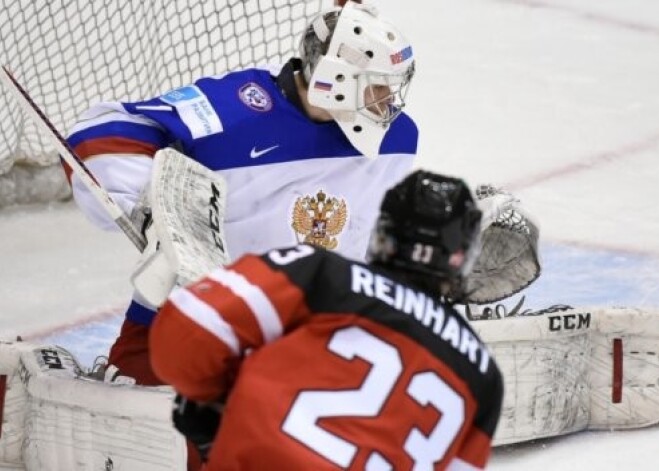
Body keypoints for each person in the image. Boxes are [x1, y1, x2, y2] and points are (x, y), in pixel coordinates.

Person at [64, 0, 417, 388]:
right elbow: (97, 135)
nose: (388, 100)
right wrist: (154, 209)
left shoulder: (396, 139)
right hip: (192, 325)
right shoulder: (235, 112)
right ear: (336, 80)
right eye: (377, 84)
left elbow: (376, 240)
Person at [149, 170, 504, 470]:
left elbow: (188, 330)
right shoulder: (483, 376)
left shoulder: (322, 274)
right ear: (461, 257)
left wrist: (216, 401)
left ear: (384, 231)